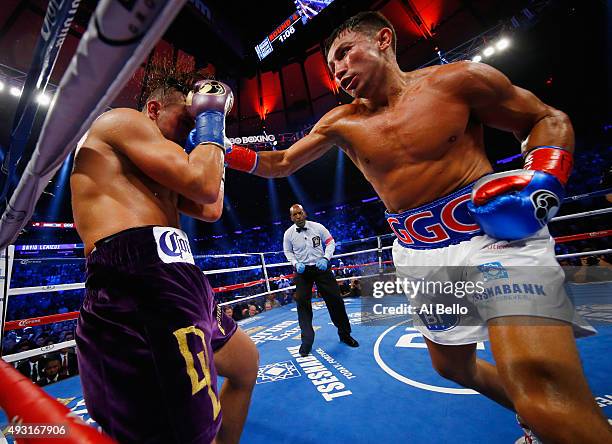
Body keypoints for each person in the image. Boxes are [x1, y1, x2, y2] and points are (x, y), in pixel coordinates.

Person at [222, 11, 612, 443]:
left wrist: (543, 183)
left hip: (493, 238)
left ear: (384, 39)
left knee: (543, 382)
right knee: (451, 366)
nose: (339, 71)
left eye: (345, 54)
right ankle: (545, 426)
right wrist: (219, 146)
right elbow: (279, 163)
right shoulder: (341, 122)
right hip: (421, 253)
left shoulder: (457, 81)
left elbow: (546, 118)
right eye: (332, 68)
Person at [70, 73, 258, 444]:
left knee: (245, 364)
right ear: (154, 109)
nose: (193, 128)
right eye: (187, 119)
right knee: (181, 432)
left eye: (198, 119)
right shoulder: (123, 121)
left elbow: (212, 206)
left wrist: (211, 137)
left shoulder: (168, 160)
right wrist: (210, 120)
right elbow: (205, 185)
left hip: (182, 276)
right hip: (138, 275)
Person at [283, 204, 358, 357]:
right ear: (291, 218)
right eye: (294, 214)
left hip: (321, 267)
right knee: (302, 304)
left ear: (304, 213)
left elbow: (330, 242)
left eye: (300, 213)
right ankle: (306, 342)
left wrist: (326, 258)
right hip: (303, 271)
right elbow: (288, 252)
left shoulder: (318, 227)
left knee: (336, 300)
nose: (298, 216)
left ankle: (345, 335)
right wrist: (295, 263)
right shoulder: (288, 234)